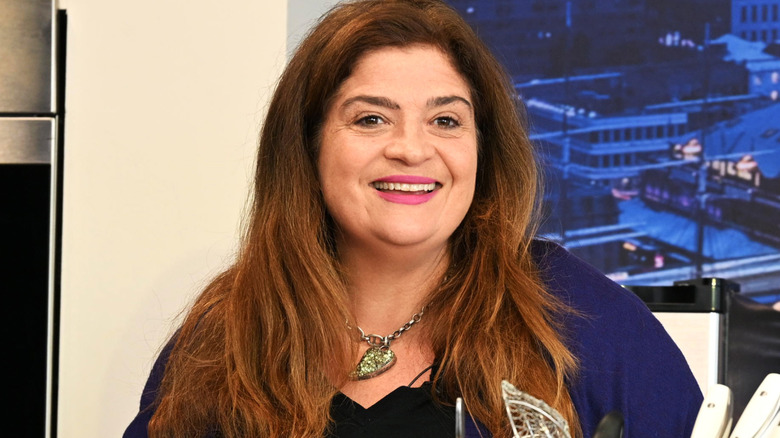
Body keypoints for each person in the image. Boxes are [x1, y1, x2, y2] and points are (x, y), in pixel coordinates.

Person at [124, 0, 703, 437]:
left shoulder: (583, 320)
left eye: (446, 121)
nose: (411, 148)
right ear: (307, 145)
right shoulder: (223, 336)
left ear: (484, 148)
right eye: (371, 119)